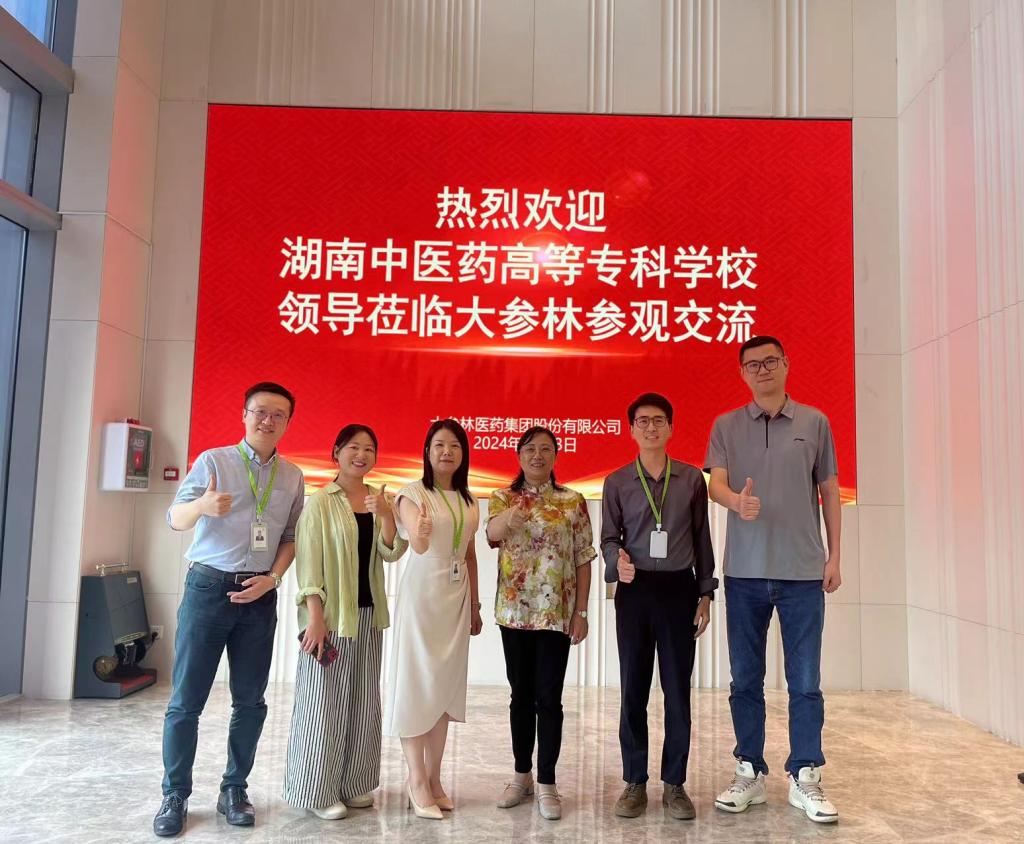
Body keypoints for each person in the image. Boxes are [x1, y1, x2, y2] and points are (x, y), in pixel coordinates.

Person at [153, 382, 306, 837]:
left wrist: (273, 579)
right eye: (260, 411)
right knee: (186, 702)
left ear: (288, 422)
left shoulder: (293, 476)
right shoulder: (214, 462)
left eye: (278, 414)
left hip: (259, 595)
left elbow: (290, 537)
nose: (268, 420)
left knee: (251, 701)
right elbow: (174, 518)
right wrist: (202, 504)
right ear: (244, 415)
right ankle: (175, 794)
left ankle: (234, 789)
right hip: (209, 588)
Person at [705, 335, 842, 824]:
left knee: (805, 682)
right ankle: (750, 770)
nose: (762, 370)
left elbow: (829, 491)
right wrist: (735, 503)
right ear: (742, 373)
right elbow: (716, 484)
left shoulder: (815, 422)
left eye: (770, 361)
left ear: (786, 364)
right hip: (744, 573)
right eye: (752, 364)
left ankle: (805, 775)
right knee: (745, 680)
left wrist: (835, 556)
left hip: (803, 572)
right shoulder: (726, 425)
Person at [602, 392, 718, 821]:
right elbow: (608, 538)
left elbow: (702, 538)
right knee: (633, 688)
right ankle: (634, 781)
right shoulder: (616, 482)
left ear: (670, 427)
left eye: (658, 421)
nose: (650, 427)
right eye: (642, 421)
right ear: (631, 429)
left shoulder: (691, 480)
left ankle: (675, 784)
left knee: (677, 690)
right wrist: (616, 561)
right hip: (634, 591)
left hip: (678, 590)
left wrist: (705, 593)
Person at [282, 424, 408, 819]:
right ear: (336, 452)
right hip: (332, 620)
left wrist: (386, 515)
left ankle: (353, 784)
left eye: (369, 449)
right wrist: (315, 618)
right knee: (323, 705)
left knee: (363, 703)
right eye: (354, 447)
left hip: (368, 617)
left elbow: (391, 553)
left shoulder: (378, 499)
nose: (362, 455)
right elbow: (309, 566)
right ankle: (317, 791)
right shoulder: (320, 503)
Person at [486, 426, 596, 821]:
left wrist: (581, 612)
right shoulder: (502, 497)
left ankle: (547, 781)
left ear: (555, 456)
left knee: (549, 699)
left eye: (546, 449)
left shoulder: (572, 501)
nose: (538, 455)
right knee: (520, 696)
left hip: (555, 616)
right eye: (530, 449)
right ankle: (522, 776)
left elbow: (583, 557)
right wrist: (513, 514)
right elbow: (492, 535)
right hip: (514, 613)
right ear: (519, 455)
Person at [383, 419, 483, 820]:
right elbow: (418, 545)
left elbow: (470, 553)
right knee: (417, 683)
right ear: (427, 451)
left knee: (444, 688)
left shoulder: (469, 500)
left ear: (463, 453)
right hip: (423, 594)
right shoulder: (411, 494)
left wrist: (475, 605)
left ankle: (435, 777)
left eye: (455, 445)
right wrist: (421, 531)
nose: (447, 452)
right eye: (439, 444)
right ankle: (416, 779)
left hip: (456, 595)